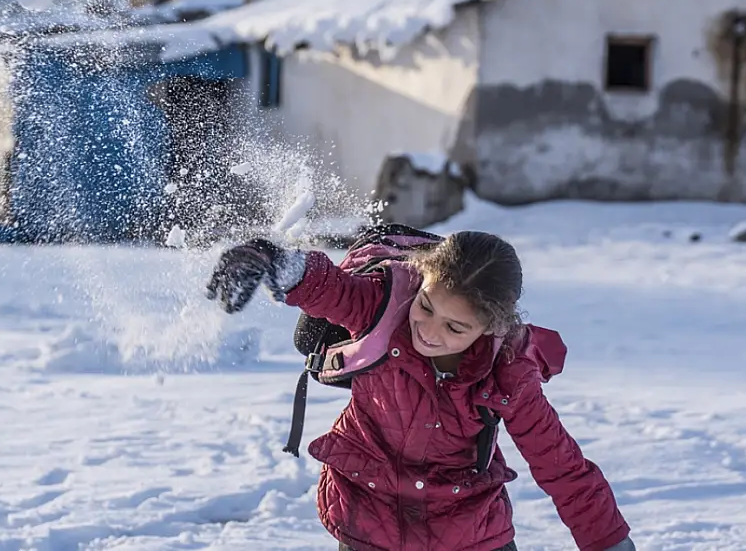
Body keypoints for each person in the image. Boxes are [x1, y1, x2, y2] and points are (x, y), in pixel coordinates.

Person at [204, 231, 635, 551]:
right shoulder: (381, 309)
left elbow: (562, 467)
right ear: (420, 279)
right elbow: (327, 288)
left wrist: (610, 543)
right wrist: (268, 259)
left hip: (467, 529)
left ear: (494, 328)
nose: (428, 331)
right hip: (368, 515)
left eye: (455, 327)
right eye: (426, 307)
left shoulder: (508, 376)